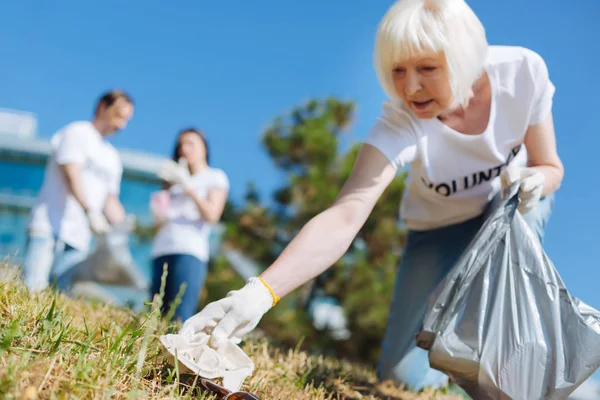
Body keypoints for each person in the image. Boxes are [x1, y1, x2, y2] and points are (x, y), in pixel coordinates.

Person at [174, 0, 563, 392]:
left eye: (427, 68)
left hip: (507, 212)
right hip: (437, 226)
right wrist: (259, 293)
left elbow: (551, 167)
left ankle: (500, 363)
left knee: (523, 217)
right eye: (398, 70)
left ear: (464, 58)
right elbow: (346, 214)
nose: (410, 87)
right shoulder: (400, 121)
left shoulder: (522, 73)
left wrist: (535, 181)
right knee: (401, 379)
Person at [22, 90, 134, 292]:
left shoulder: (112, 157)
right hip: (49, 228)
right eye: (119, 116)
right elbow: (71, 175)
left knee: (58, 300)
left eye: (126, 120)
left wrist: (121, 226)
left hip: (79, 239)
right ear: (102, 107)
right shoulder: (77, 132)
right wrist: (90, 211)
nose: (121, 125)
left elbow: (110, 201)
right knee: (33, 290)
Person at [149, 128, 229, 322]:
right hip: (162, 248)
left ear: (204, 148)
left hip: (189, 250)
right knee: (154, 313)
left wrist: (189, 188)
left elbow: (212, 215)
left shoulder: (214, 177)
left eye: (190, 143)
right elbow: (159, 222)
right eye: (181, 145)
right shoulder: (173, 181)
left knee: (179, 314)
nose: (184, 149)